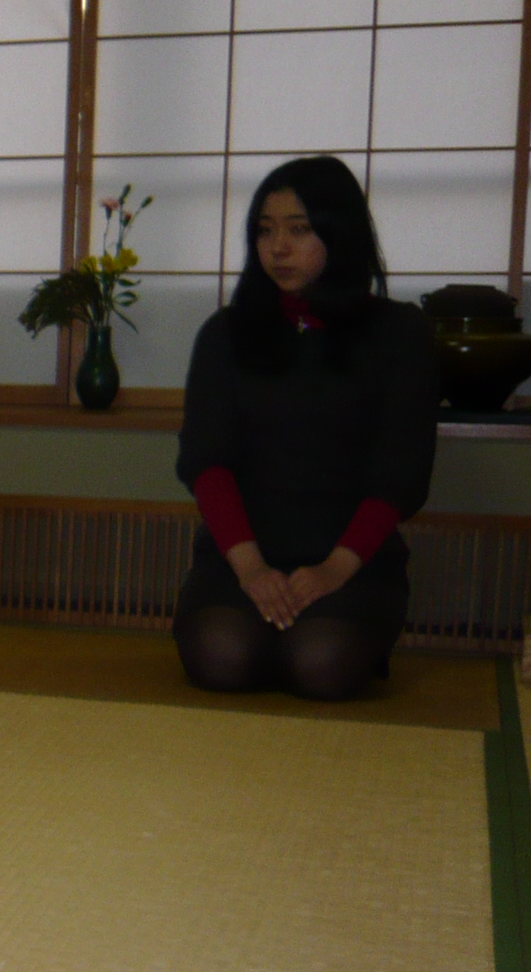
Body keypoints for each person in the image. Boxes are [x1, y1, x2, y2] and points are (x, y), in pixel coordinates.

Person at [173, 156, 438, 701]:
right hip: (241, 557)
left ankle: (301, 639)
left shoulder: (400, 333)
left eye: (298, 229)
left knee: (319, 664)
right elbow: (207, 460)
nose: (278, 247)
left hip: (351, 562)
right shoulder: (225, 334)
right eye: (265, 231)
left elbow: (401, 472)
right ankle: (264, 633)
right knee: (221, 656)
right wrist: (251, 570)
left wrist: (332, 572)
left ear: (338, 232)